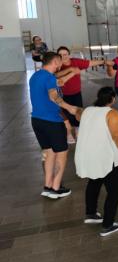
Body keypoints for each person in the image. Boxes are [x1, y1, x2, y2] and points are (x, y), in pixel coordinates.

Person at [74, 87, 118, 236]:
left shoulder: (87, 111)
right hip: (106, 157)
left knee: (94, 182)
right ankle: (108, 225)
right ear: (113, 99)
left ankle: (91, 213)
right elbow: (116, 136)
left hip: (88, 155)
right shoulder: (112, 114)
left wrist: (61, 102)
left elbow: (77, 113)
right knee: (114, 191)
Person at [30, 52, 81, 199]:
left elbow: (57, 83)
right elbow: (53, 96)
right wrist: (69, 107)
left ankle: (47, 186)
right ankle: (56, 188)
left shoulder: (36, 76)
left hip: (37, 121)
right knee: (62, 154)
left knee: (49, 153)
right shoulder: (49, 77)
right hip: (52, 121)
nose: (61, 64)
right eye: (60, 62)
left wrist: (72, 72)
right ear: (56, 62)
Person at [55, 46, 108, 140]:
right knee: (66, 115)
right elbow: (55, 76)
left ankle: (78, 129)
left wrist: (103, 61)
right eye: (60, 55)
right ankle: (68, 133)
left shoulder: (75, 62)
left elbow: (89, 63)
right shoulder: (56, 66)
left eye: (65, 54)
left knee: (78, 112)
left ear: (69, 54)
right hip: (63, 95)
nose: (63, 56)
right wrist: (71, 71)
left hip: (76, 93)